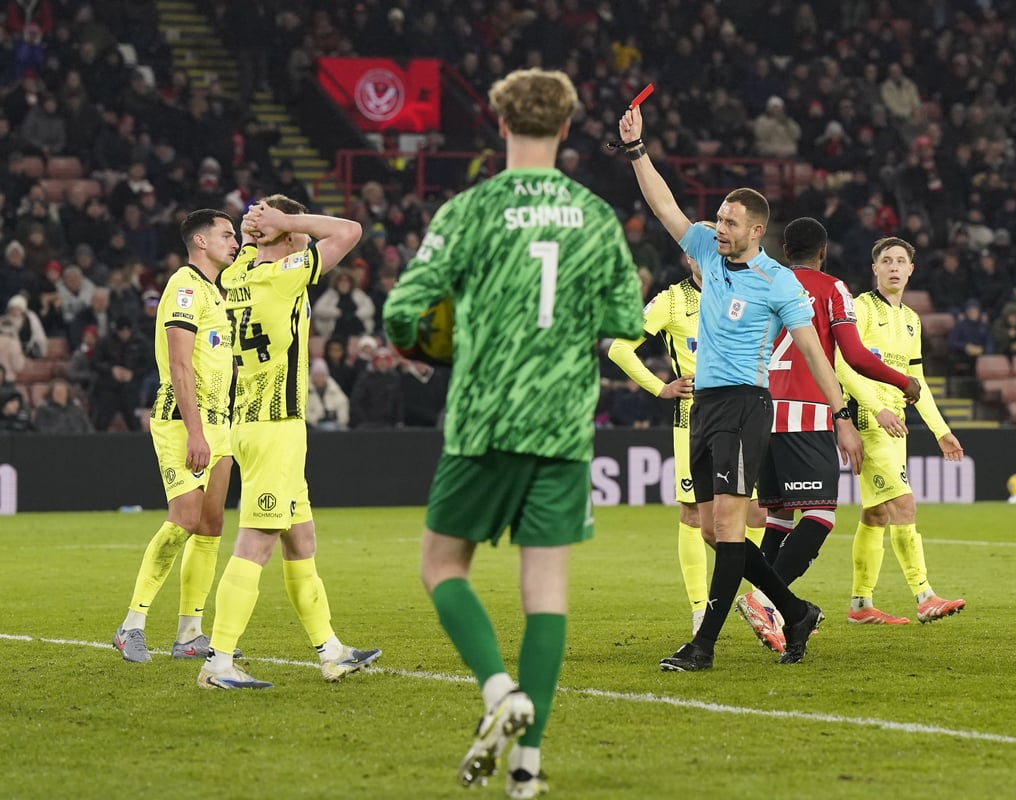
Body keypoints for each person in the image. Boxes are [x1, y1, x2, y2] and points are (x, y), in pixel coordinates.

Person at [382, 68, 643, 799]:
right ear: (565, 131)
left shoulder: (468, 210)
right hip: (561, 423)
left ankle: (499, 690)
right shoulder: (595, 216)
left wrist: (437, 339)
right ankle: (527, 767)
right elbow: (628, 319)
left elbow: (403, 312)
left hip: (484, 416)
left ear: (501, 127)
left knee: (441, 566)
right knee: (547, 593)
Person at [618, 102, 858, 673]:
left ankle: (703, 647)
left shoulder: (780, 284)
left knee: (728, 526)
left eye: (727, 222)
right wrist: (636, 152)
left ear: (755, 230)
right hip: (705, 406)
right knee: (707, 529)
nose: (715, 228)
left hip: (747, 407)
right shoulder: (705, 250)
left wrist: (841, 411)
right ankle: (795, 610)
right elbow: (665, 207)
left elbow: (812, 351)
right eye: (717, 219)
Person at [198, 196, 380, 690]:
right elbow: (348, 230)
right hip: (275, 425)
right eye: (297, 233)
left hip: (255, 423)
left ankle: (331, 651)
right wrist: (283, 222)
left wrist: (260, 227)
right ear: (285, 239)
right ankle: (217, 661)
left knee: (301, 541)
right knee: (255, 543)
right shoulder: (285, 276)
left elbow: (265, 245)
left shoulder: (234, 277)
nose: (305, 237)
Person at [738, 218, 920, 651]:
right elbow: (853, 355)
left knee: (780, 518)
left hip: (760, 413)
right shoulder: (831, 288)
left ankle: (766, 610)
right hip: (805, 413)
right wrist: (902, 381)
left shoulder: (759, 282)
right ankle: (767, 600)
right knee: (820, 517)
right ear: (823, 251)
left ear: (783, 249)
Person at [607, 221, 769, 636]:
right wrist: (661, 387)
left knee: (756, 510)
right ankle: (701, 610)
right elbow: (619, 348)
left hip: (741, 413)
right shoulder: (673, 301)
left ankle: (763, 603)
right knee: (696, 515)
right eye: (702, 248)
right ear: (689, 255)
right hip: (694, 417)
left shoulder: (746, 288)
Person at [111, 210, 241, 664]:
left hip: (221, 422)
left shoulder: (215, 290)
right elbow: (181, 364)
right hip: (184, 420)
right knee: (184, 518)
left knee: (211, 524)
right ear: (200, 242)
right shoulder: (184, 286)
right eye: (227, 234)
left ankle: (189, 634)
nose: (235, 241)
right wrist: (195, 432)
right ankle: (132, 626)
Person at [835, 237, 967, 626]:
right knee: (904, 505)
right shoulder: (859, 307)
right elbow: (843, 366)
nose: (894, 267)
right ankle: (924, 595)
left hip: (896, 424)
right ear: (874, 269)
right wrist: (875, 410)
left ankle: (860, 604)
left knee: (876, 514)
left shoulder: (912, 319)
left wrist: (941, 430)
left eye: (901, 261)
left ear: (912, 269)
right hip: (869, 420)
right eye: (886, 261)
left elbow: (915, 380)